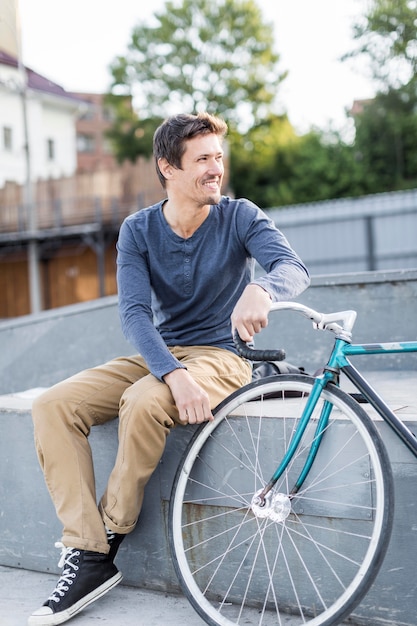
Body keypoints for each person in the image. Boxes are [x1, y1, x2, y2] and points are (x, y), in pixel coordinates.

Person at [28, 111, 310, 625]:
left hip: (223, 356)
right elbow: (135, 314)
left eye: (218, 157)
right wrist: (172, 373)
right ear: (168, 168)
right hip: (161, 352)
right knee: (53, 405)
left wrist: (261, 288)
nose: (215, 168)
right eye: (202, 159)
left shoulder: (240, 215)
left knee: (142, 400)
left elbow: (294, 268)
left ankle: (103, 543)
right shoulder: (138, 229)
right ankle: (87, 548)